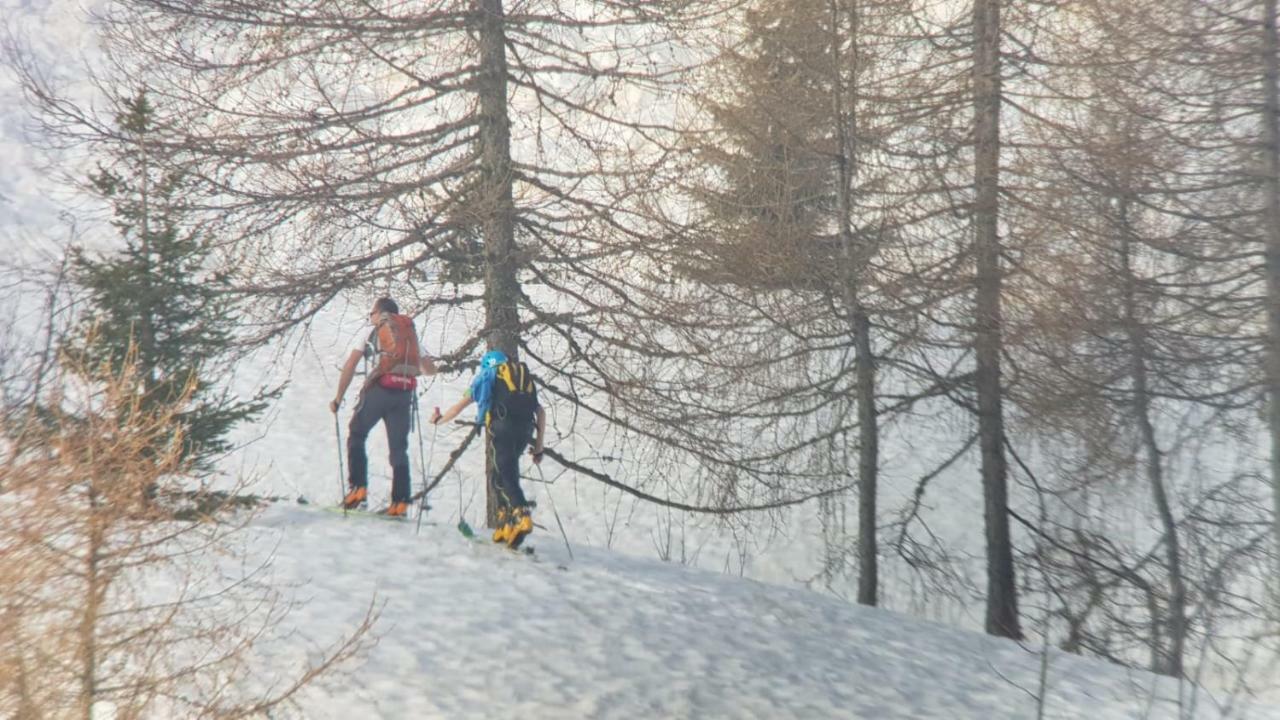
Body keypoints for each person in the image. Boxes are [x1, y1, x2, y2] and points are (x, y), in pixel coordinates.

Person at [330, 297, 437, 516]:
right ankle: (400, 503)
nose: (371, 318)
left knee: (357, 434)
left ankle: (358, 490)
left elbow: (351, 365)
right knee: (399, 449)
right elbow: (430, 369)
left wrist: (338, 398)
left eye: (371, 314)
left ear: (379, 313)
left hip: (380, 390)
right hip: (404, 393)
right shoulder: (410, 335)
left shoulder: (373, 331)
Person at [431, 349, 545, 548]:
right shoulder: (521, 379)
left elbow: (459, 407)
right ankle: (506, 523)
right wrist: (539, 446)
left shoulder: (486, 376)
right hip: (525, 430)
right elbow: (540, 411)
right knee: (501, 475)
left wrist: (439, 420)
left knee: (505, 474)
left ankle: (521, 515)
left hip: (502, 427)